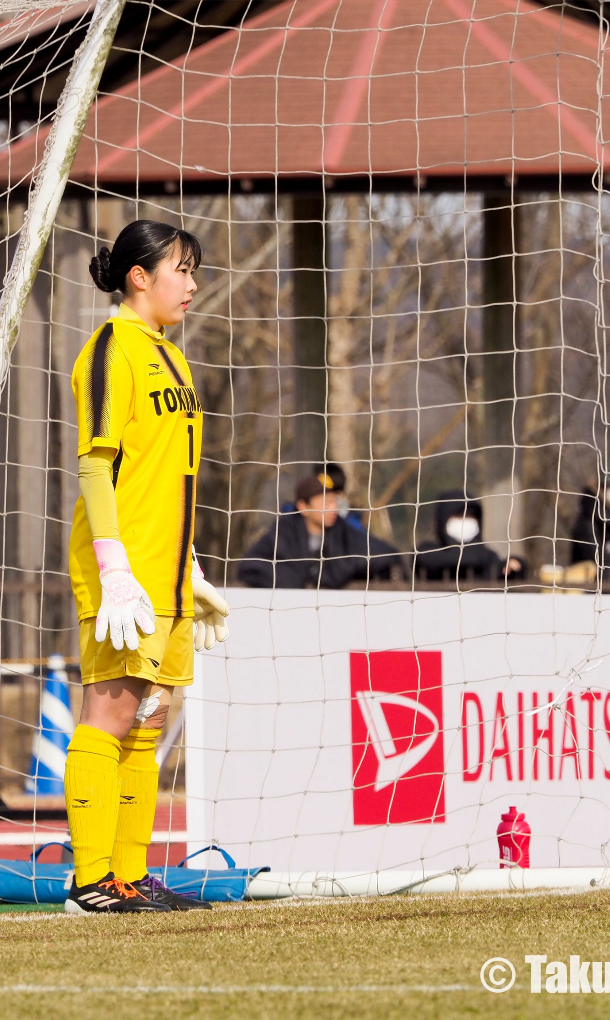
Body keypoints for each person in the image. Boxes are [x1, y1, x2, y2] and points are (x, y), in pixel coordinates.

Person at [63, 220, 230, 914]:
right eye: (181, 270)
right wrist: (115, 568)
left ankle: (127, 877)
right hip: (123, 574)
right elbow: (96, 466)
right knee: (109, 714)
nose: (192, 284)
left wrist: (187, 567)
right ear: (140, 276)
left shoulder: (174, 358)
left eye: (194, 271)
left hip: (165, 572)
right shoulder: (110, 348)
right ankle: (89, 882)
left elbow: (172, 477)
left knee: (151, 721)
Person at [237, 473, 401, 588]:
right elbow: (250, 567)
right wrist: (299, 577)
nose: (333, 508)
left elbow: (384, 554)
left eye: (334, 501)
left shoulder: (343, 530)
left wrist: (334, 572)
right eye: (325, 502)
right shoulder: (283, 531)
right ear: (303, 507)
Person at [413, 490, 525, 582]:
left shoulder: (489, 555)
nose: (465, 521)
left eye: (470, 516)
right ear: (443, 519)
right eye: (459, 516)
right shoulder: (426, 551)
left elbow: (505, 572)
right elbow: (426, 560)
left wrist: (515, 565)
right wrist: (481, 560)